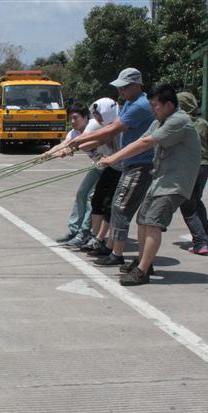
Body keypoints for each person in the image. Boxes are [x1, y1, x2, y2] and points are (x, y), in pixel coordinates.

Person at [98, 84, 200, 285]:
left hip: (175, 183)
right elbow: (141, 140)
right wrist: (114, 156)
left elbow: (147, 144)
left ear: (169, 105)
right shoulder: (160, 121)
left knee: (153, 223)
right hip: (160, 180)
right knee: (143, 219)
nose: (152, 109)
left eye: (155, 105)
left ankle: (142, 272)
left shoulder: (178, 121)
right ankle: (144, 261)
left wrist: (114, 158)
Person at [67, 67, 155, 267]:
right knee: (115, 205)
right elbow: (108, 129)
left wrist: (78, 142)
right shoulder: (129, 103)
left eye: (124, 87)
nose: (120, 91)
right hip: (128, 163)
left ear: (136, 85)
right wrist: (78, 142)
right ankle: (109, 245)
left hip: (140, 163)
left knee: (121, 208)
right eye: (119, 87)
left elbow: (113, 129)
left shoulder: (140, 105)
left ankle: (117, 253)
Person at [49, 102, 101, 247]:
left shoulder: (93, 125)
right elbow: (65, 143)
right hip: (98, 165)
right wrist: (46, 154)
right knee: (81, 193)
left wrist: (69, 149)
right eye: (70, 118)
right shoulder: (73, 132)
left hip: (111, 165)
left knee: (92, 198)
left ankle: (84, 233)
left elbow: (76, 144)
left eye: (75, 118)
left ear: (85, 118)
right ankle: (74, 230)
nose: (72, 121)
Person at [176, 92, 208, 255]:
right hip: (204, 166)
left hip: (188, 167)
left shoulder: (178, 122)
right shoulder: (203, 123)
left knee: (187, 204)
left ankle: (200, 242)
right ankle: (207, 233)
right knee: (196, 200)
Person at [78, 98, 122, 256]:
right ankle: (95, 237)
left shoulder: (120, 124)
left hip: (123, 168)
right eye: (95, 115)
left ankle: (102, 240)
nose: (97, 119)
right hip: (111, 166)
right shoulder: (102, 125)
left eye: (100, 115)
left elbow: (100, 139)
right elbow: (89, 140)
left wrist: (78, 144)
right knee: (97, 199)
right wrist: (73, 146)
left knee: (110, 205)